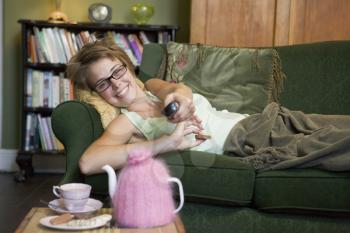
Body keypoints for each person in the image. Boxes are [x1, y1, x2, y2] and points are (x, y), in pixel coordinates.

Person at [67, 38, 248, 175]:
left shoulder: (152, 86)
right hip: (241, 143)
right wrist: (166, 143)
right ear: (96, 92)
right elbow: (87, 163)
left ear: (128, 67)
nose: (116, 84)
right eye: (102, 84)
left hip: (251, 124)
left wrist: (181, 99)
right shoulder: (127, 121)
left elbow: (176, 90)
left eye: (117, 71)